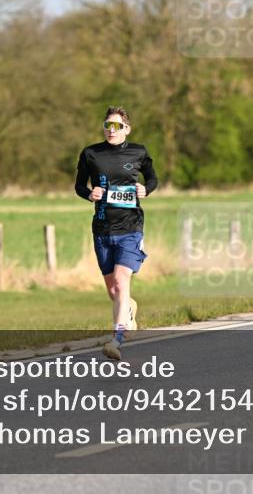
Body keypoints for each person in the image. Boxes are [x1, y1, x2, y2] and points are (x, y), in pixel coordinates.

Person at [74, 106, 158, 360]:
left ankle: (116, 339)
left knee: (122, 281)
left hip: (130, 227)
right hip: (102, 228)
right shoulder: (91, 153)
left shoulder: (138, 152)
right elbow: (79, 185)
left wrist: (146, 189)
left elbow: (152, 179)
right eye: (107, 126)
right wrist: (90, 194)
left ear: (126, 129)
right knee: (114, 292)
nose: (111, 130)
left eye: (117, 126)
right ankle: (129, 308)